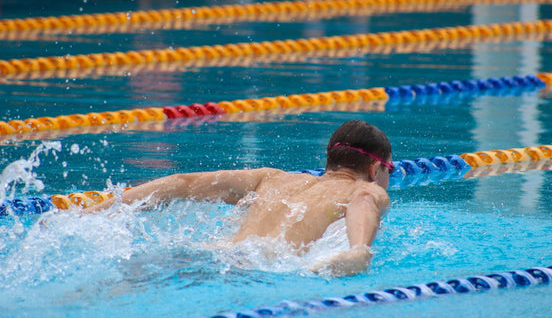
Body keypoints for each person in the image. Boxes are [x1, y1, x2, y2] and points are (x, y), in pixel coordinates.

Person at [85, 120, 392, 276]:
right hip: (251, 274)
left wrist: (101, 210)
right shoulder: (364, 189)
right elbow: (365, 201)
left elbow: (182, 183)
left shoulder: (271, 178)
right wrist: (359, 251)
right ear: (376, 167)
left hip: (205, 254)